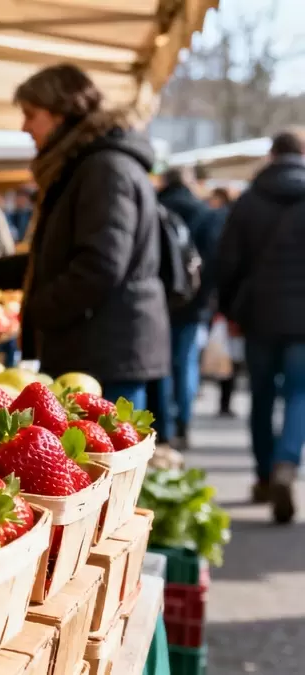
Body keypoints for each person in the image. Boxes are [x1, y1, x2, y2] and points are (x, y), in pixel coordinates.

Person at [0, 63, 169, 408]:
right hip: (96, 346)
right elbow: (58, 256)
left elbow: (99, 266)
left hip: (103, 353)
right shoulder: (85, 168)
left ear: (61, 114)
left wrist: (39, 310)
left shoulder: (104, 170)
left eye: (31, 115)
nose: (25, 127)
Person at [217, 130, 305, 523]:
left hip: (259, 315)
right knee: (301, 392)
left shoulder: (249, 201)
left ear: (272, 155)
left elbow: (227, 261)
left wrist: (227, 310)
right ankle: (287, 463)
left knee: (262, 396)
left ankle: (264, 475)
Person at [155, 167, 215, 449]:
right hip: (193, 301)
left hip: (160, 300)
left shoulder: (156, 208)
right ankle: (184, 420)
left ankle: (165, 425)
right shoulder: (203, 212)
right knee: (186, 362)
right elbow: (214, 260)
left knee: (163, 364)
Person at [207, 187, 240, 418]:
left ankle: (224, 401)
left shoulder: (237, 217)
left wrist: (223, 305)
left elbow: (224, 264)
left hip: (236, 301)